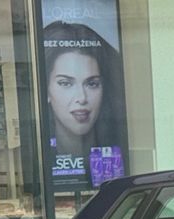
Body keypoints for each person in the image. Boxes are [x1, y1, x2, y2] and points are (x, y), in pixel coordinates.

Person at [43, 21, 126, 183]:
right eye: (65, 83)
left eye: (92, 84)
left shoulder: (121, 151)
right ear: (46, 90)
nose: (81, 98)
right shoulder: (33, 157)